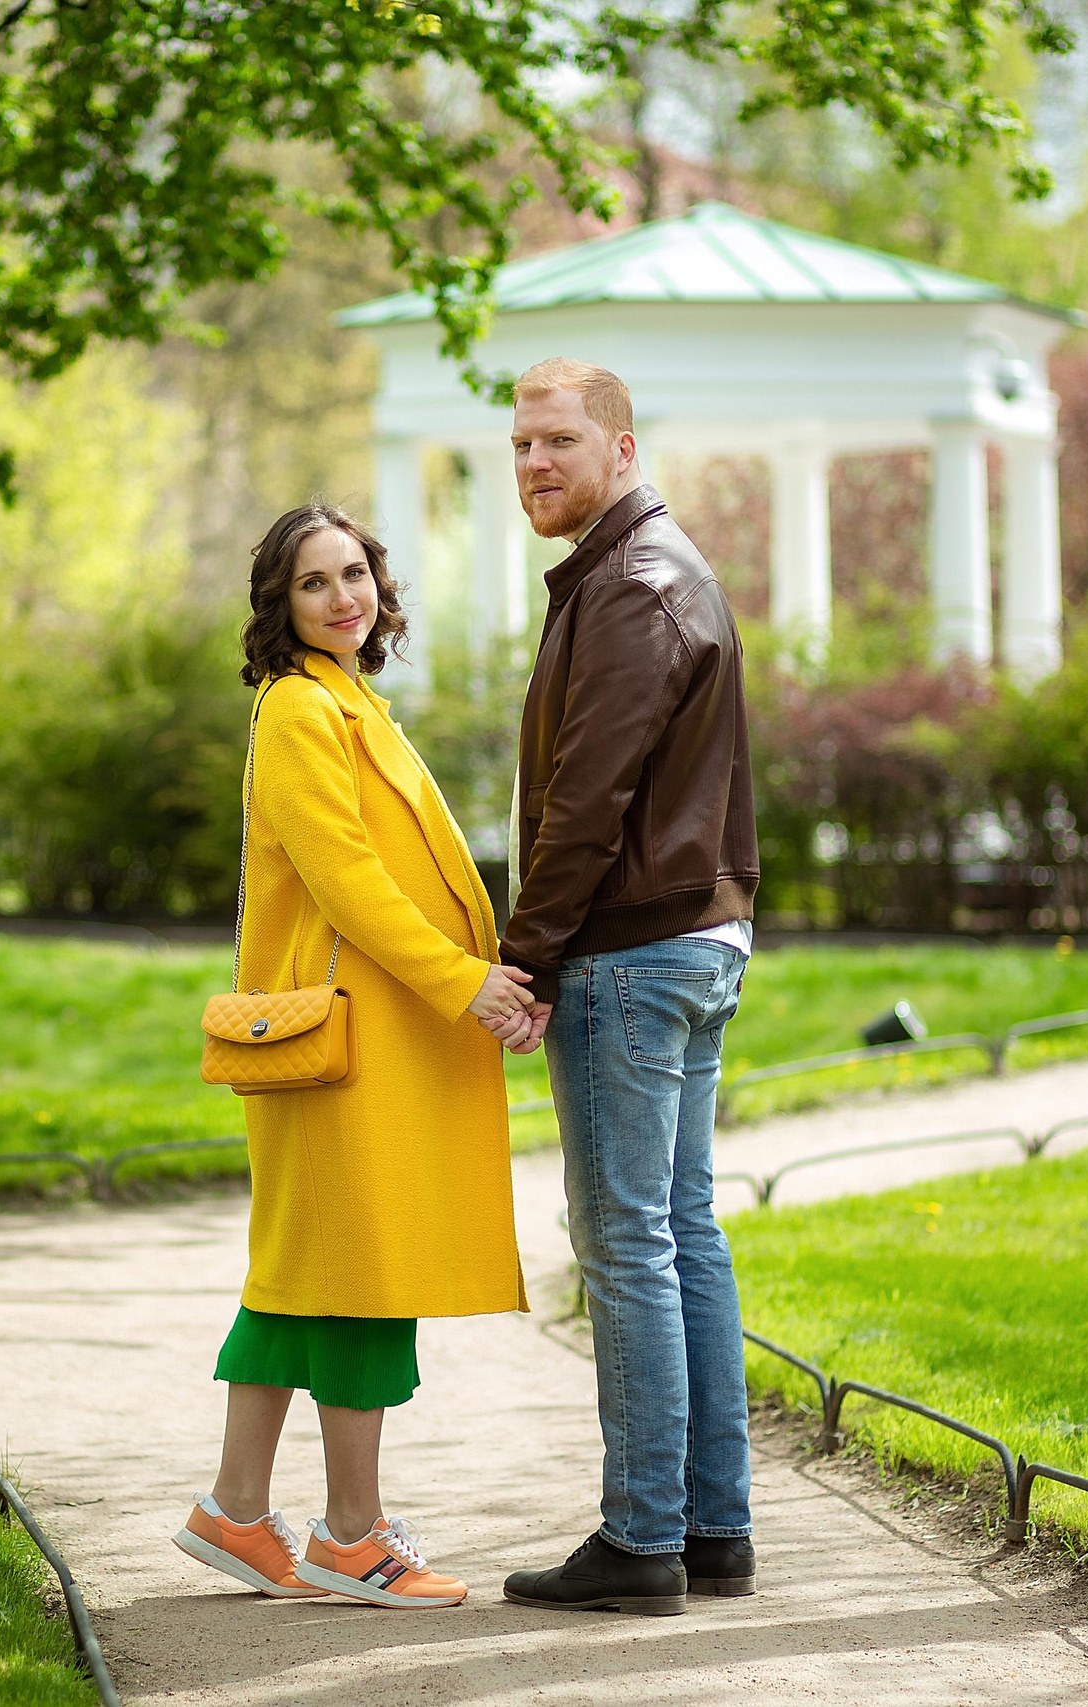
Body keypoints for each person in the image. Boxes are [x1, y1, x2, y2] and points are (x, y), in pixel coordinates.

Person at [173, 503, 538, 1610]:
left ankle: (236, 1514)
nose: (344, 597)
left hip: (362, 1045)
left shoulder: (344, 698)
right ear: (278, 607)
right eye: (314, 582)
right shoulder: (300, 708)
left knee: (302, 1279)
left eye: (355, 574)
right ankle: (352, 1537)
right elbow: (349, 882)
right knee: (361, 1284)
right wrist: (464, 980)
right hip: (349, 1050)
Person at [494, 359, 761, 1617]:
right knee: (679, 1229)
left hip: (632, 951)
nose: (534, 463)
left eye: (558, 439)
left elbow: (587, 800)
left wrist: (527, 953)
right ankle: (712, 1530)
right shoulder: (648, 571)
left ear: (621, 446)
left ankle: (644, 1536)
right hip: (692, 939)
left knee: (627, 1242)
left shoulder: (630, 586)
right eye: (520, 445)